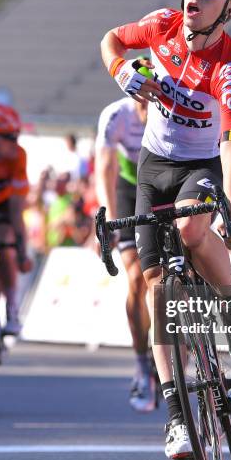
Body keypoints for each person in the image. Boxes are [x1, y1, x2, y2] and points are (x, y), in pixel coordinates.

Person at [100, 0, 231, 460]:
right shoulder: (162, 26)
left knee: (196, 234)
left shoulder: (230, 64)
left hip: (200, 167)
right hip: (153, 167)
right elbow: (111, 40)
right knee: (155, 289)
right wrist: (120, 70)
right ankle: (175, 418)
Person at [95, 91, 155, 412]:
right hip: (129, 187)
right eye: (141, 102)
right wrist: (107, 220)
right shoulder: (116, 115)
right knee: (136, 278)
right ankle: (141, 365)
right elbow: (104, 167)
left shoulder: (169, 106)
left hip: (164, 185)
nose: (146, 107)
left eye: (151, 100)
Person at [0, 104, 33, 336]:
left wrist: (21, 251)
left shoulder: (18, 155)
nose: (16, 142)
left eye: (17, 136)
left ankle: (12, 310)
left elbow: (16, 210)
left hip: (4, 205)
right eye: (10, 137)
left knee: (6, 245)